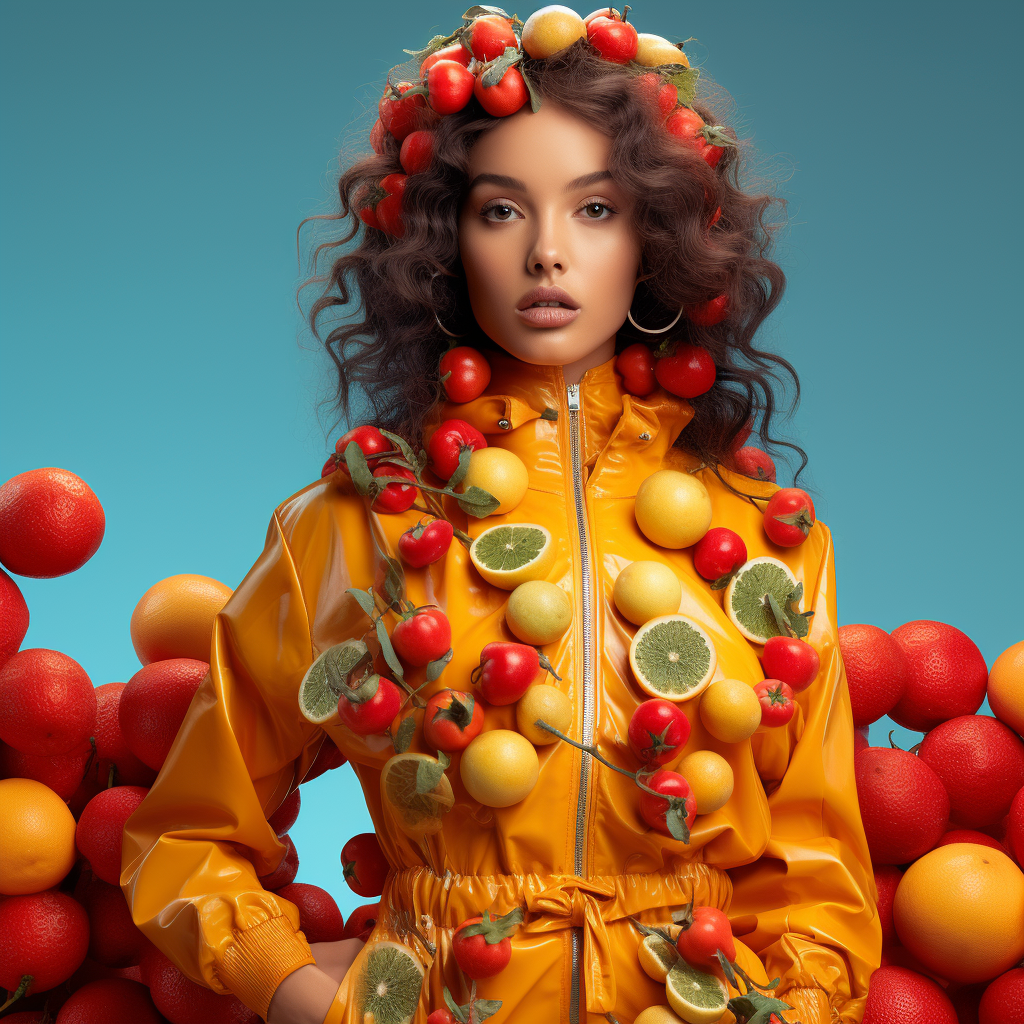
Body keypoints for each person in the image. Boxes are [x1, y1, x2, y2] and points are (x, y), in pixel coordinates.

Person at [122, 9, 881, 1024]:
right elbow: (185, 838)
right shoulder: (351, 527)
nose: (548, 254)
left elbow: (822, 896)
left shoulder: (764, 543)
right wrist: (297, 990)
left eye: (596, 210)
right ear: (443, 242)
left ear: (655, 234)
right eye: (500, 211)